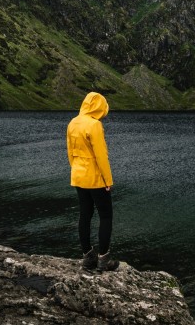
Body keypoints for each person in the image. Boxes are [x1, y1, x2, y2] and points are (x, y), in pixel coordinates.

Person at [66, 92, 119, 272]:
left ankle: (88, 256)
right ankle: (104, 259)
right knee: (105, 216)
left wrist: (75, 169)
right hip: (95, 177)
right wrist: (108, 180)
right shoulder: (95, 125)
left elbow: (70, 151)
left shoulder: (73, 122)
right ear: (99, 107)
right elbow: (101, 156)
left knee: (85, 215)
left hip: (78, 175)